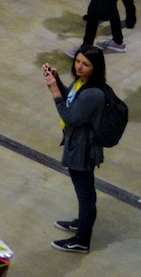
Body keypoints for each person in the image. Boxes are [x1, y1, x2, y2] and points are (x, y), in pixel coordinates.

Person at [43, 45, 108, 252]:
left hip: (83, 149)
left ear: (95, 68)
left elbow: (70, 117)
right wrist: (57, 80)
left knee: (86, 194)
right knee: (84, 191)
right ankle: (82, 222)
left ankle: (82, 240)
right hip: (76, 144)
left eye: (85, 64)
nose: (79, 67)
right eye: (78, 61)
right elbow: (70, 99)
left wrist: (54, 91)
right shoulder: (82, 83)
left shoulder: (93, 93)